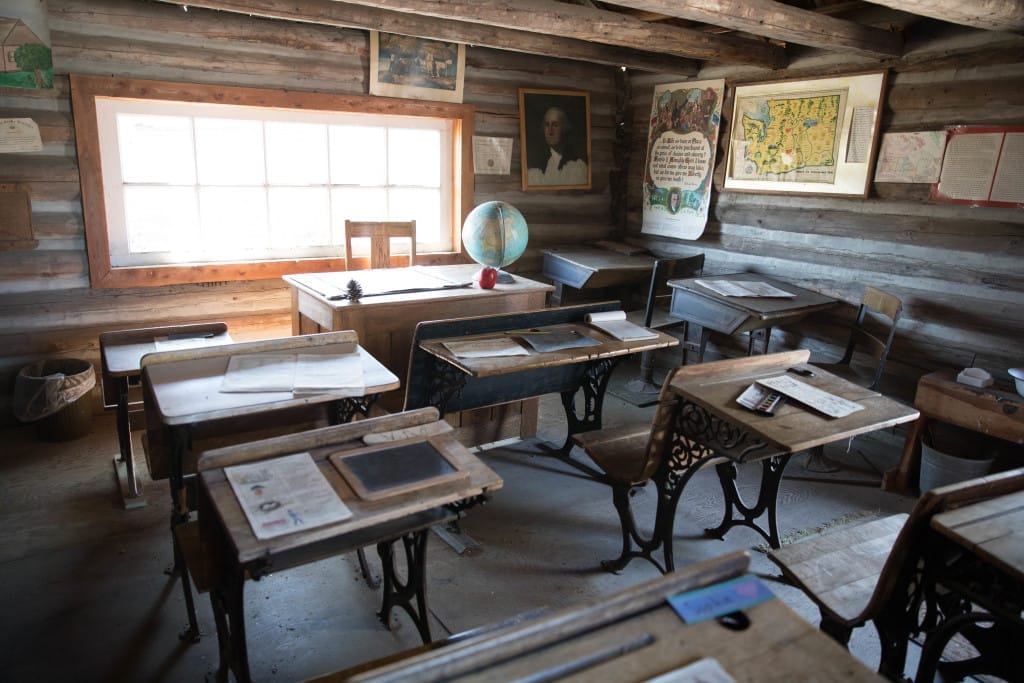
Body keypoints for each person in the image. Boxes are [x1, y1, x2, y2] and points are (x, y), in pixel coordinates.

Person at [526, 106, 588, 187]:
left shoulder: (578, 165)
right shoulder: (536, 166)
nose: (550, 131)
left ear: (564, 128)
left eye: (555, 125)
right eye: (547, 125)